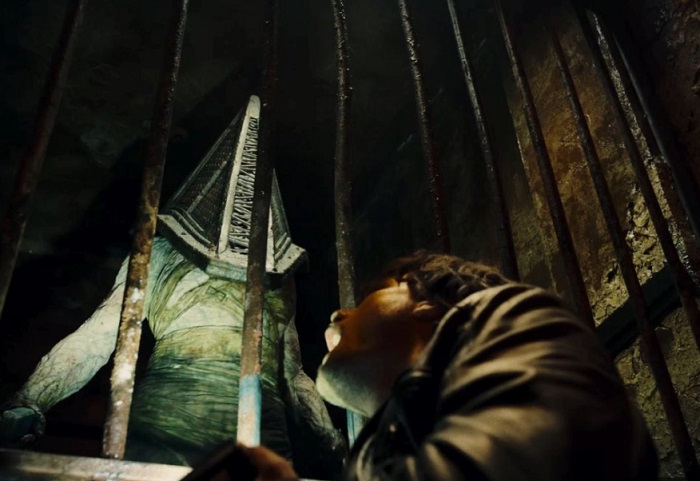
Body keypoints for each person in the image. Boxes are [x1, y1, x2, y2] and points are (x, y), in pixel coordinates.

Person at [0, 96, 346, 477]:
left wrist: (330, 441)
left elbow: (293, 376)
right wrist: (30, 399)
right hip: (169, 423)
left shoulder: (278, 275)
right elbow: (97, 338)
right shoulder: (160, 251)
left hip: (258, 434)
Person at [241, 250, 659, 481]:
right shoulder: (380, 452)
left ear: (425, 301)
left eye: (368, 298)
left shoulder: (516, 317)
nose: (339, 313)